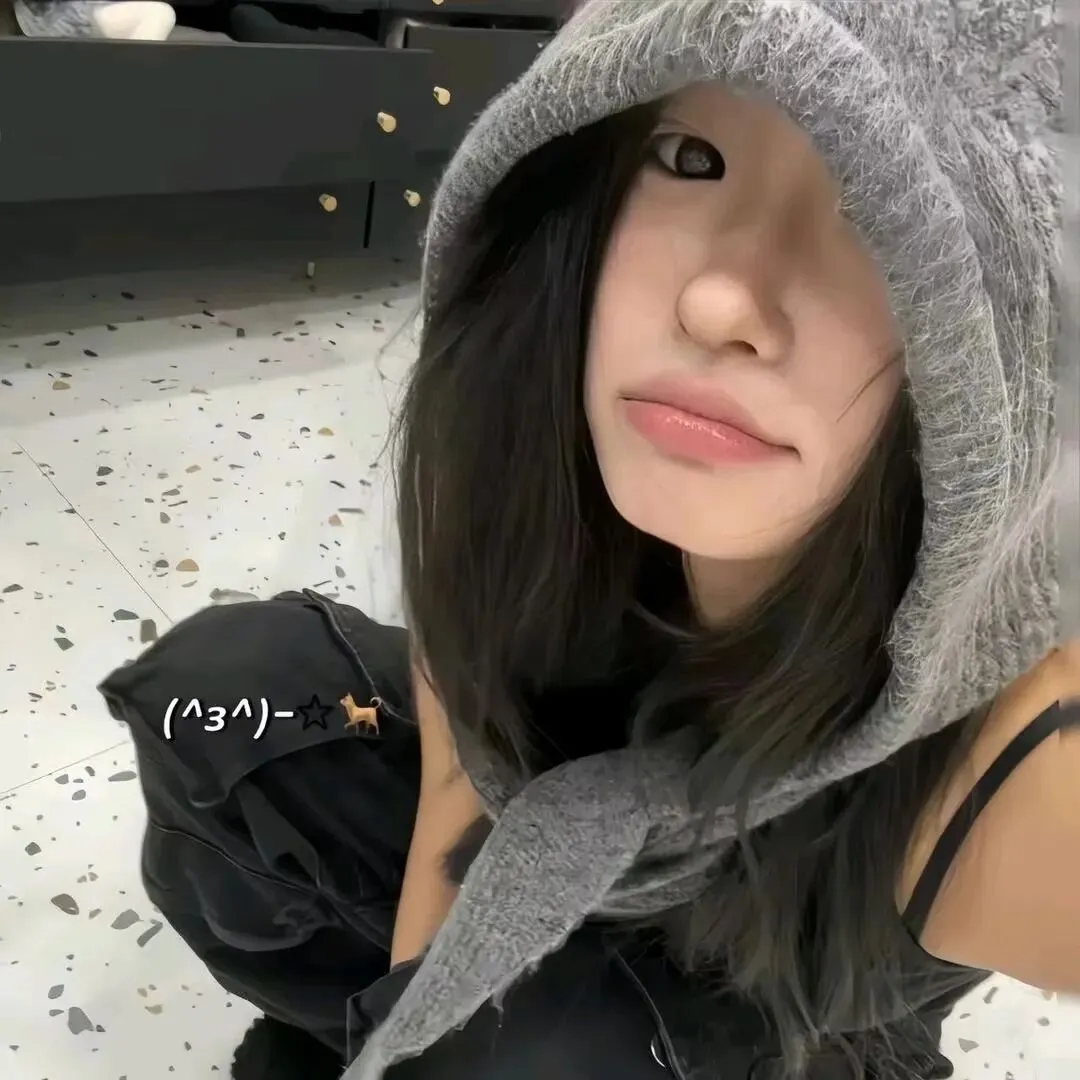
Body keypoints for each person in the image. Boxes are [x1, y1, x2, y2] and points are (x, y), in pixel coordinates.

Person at [98, 2, 1077, 1079]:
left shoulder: (1025, 763)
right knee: (226, 707)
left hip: (779, 1042)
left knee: (545, 1056)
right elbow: (460, 791)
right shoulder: (531, 483)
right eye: (688, 157)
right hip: (548, 872)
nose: (718, 302)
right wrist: (409, 1040)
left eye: (880, 212)